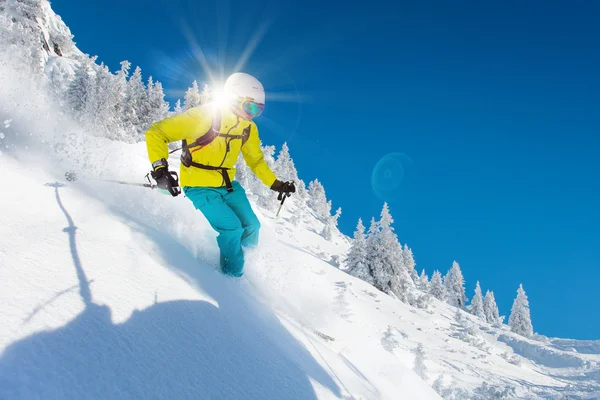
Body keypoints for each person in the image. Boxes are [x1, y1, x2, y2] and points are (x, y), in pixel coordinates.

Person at [145, 72, 296, 277]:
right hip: (198, 185)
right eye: (250, 107)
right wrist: (160, 170)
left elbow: (256, 160)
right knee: (232, 229)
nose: (253, 114)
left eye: (259, 110)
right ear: (234, 99)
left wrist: (276, 184)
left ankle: (240, 264)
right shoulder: (204, 116)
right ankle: (231, 281)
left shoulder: (248, 129)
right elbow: (157, 133)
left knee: (252, 226)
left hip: (227, 185)